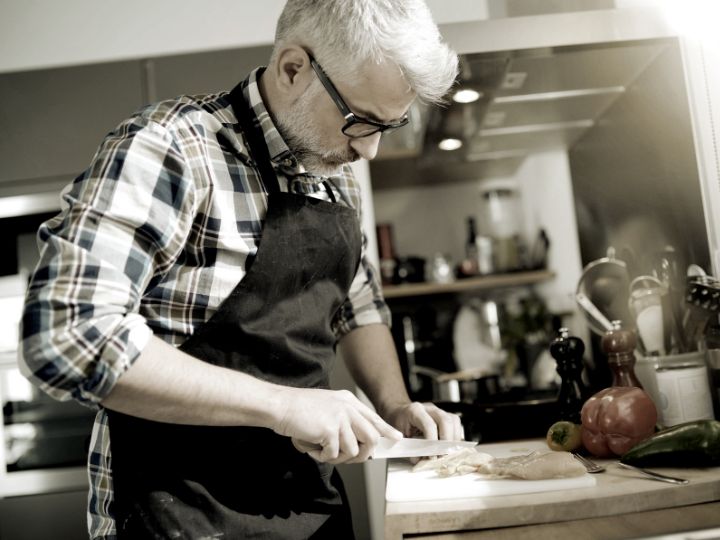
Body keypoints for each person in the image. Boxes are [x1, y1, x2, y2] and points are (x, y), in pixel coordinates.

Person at [19, 0, 461, 538]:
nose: (368, 151)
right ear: (293, 68)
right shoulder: (171, 149)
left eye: (388, 126)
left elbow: (355, 301)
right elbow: (69, 337)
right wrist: (282, 405)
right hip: (176, 509)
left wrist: (394, 405)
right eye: (359, 121)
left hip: (306, 506)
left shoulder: (333, 166)